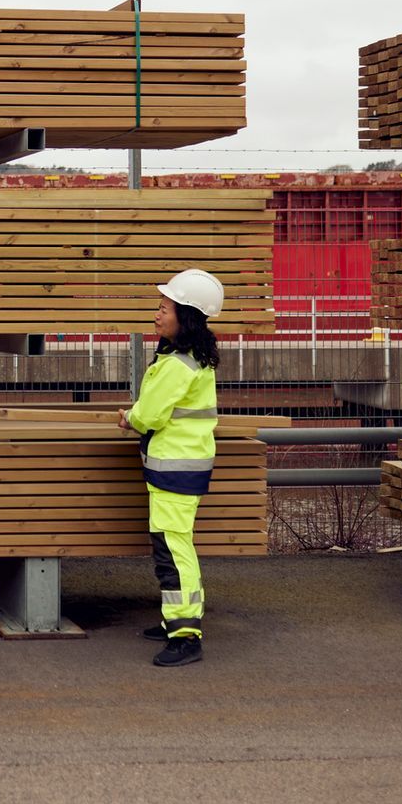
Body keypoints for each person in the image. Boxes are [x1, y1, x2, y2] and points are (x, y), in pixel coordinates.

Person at [118, 268, 223, 668]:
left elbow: (152, 414)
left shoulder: (179, 364)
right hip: (180, 470)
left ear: (186, 316)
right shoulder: (189, 358)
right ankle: (174, 620)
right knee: (173, 546)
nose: (157, 315)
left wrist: (130, 417)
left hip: (175, 472)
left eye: (164, 308)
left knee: (174, 552)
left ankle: (185, 634)